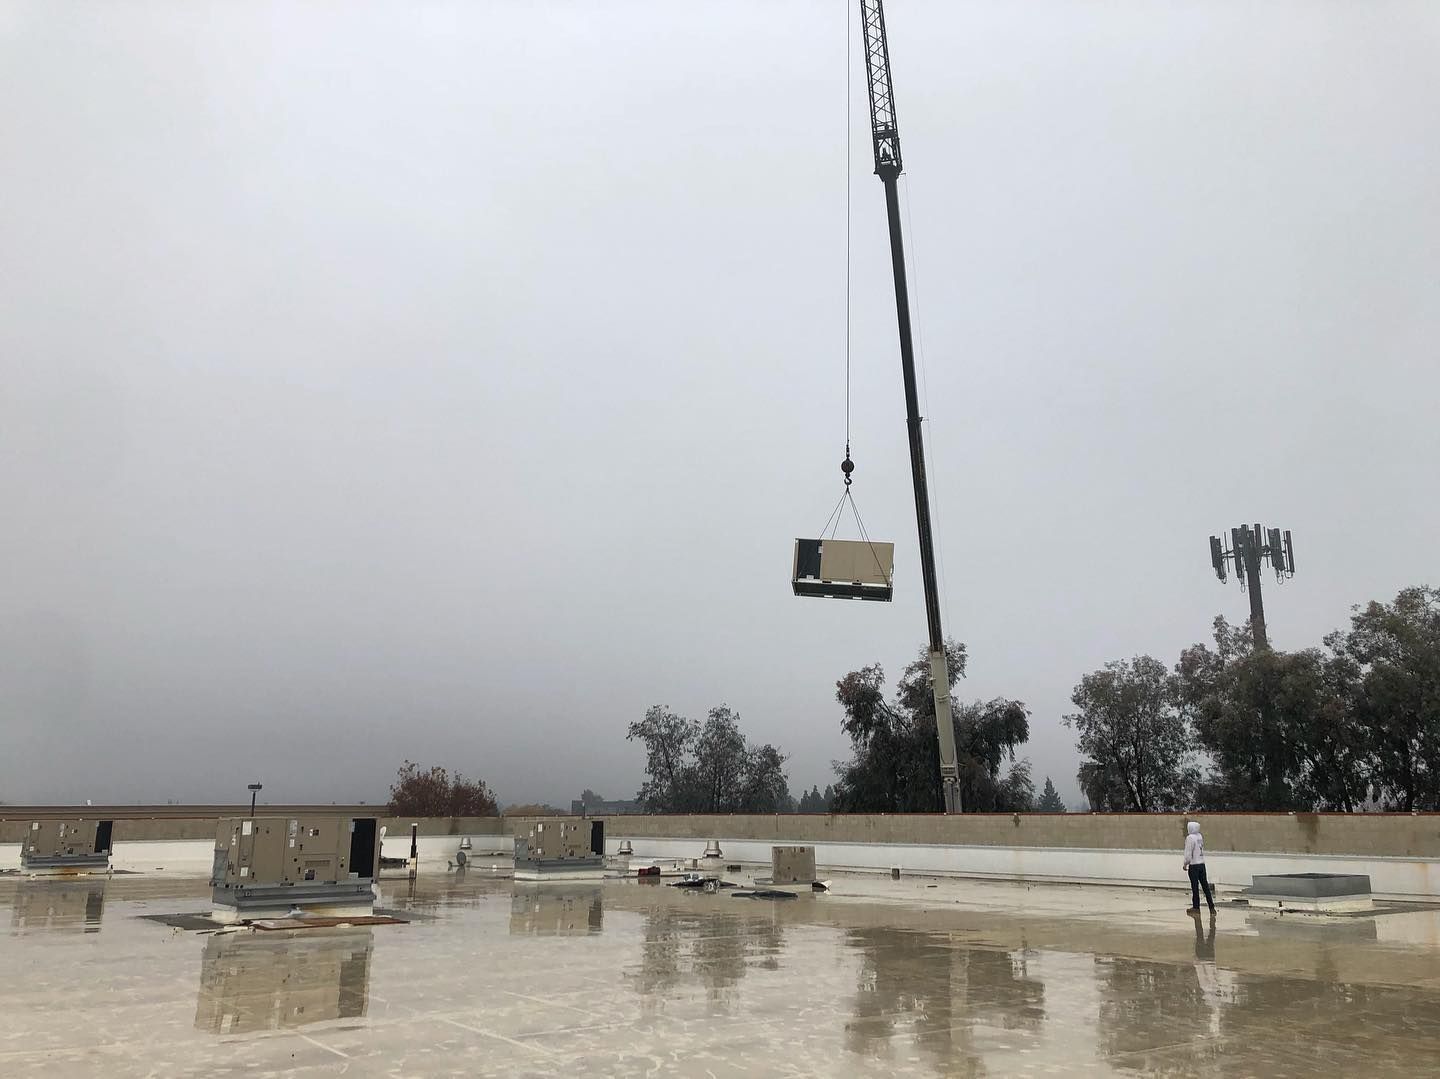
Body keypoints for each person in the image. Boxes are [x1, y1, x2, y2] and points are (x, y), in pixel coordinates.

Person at [1182, 820, 1216, 913]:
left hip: (1194, 865)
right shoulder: (1199, 836)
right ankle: (1211, 907)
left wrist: (1185, 863)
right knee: (1205, 886)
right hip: (1202, 864)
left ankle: (1196, 907)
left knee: (1195, 887)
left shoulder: (1190, 838)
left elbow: (1188, 853)